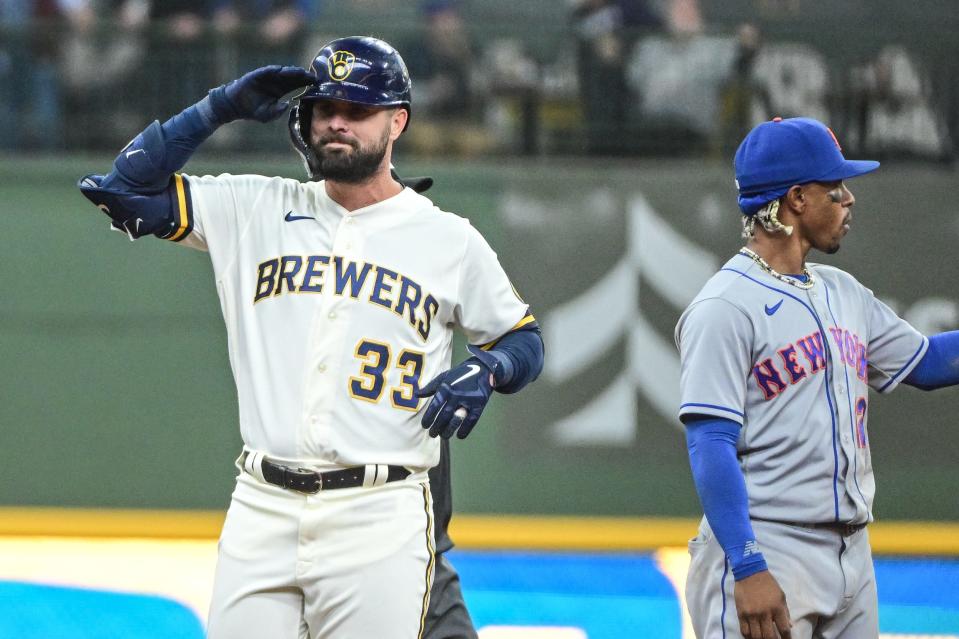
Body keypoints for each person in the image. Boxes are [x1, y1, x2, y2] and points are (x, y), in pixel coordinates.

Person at [77, 35, 544, 638]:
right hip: (261, 503)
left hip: (380, 508)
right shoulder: (254, 207)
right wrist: (217, 108)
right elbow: (122, 190)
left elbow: (523, 340)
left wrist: (489, 369)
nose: (337, 123)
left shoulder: (447, 238)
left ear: (397, 121)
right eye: (325, 109)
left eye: (358, 110)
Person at [675, 116, 959, 639]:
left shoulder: (842, 291)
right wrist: (748, 564)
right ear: (798, 198)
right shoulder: (724, 306)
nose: (848, 199)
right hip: (770, 548)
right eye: (836, 188)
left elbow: (927, 363)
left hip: (853, 553)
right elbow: (709, 444)